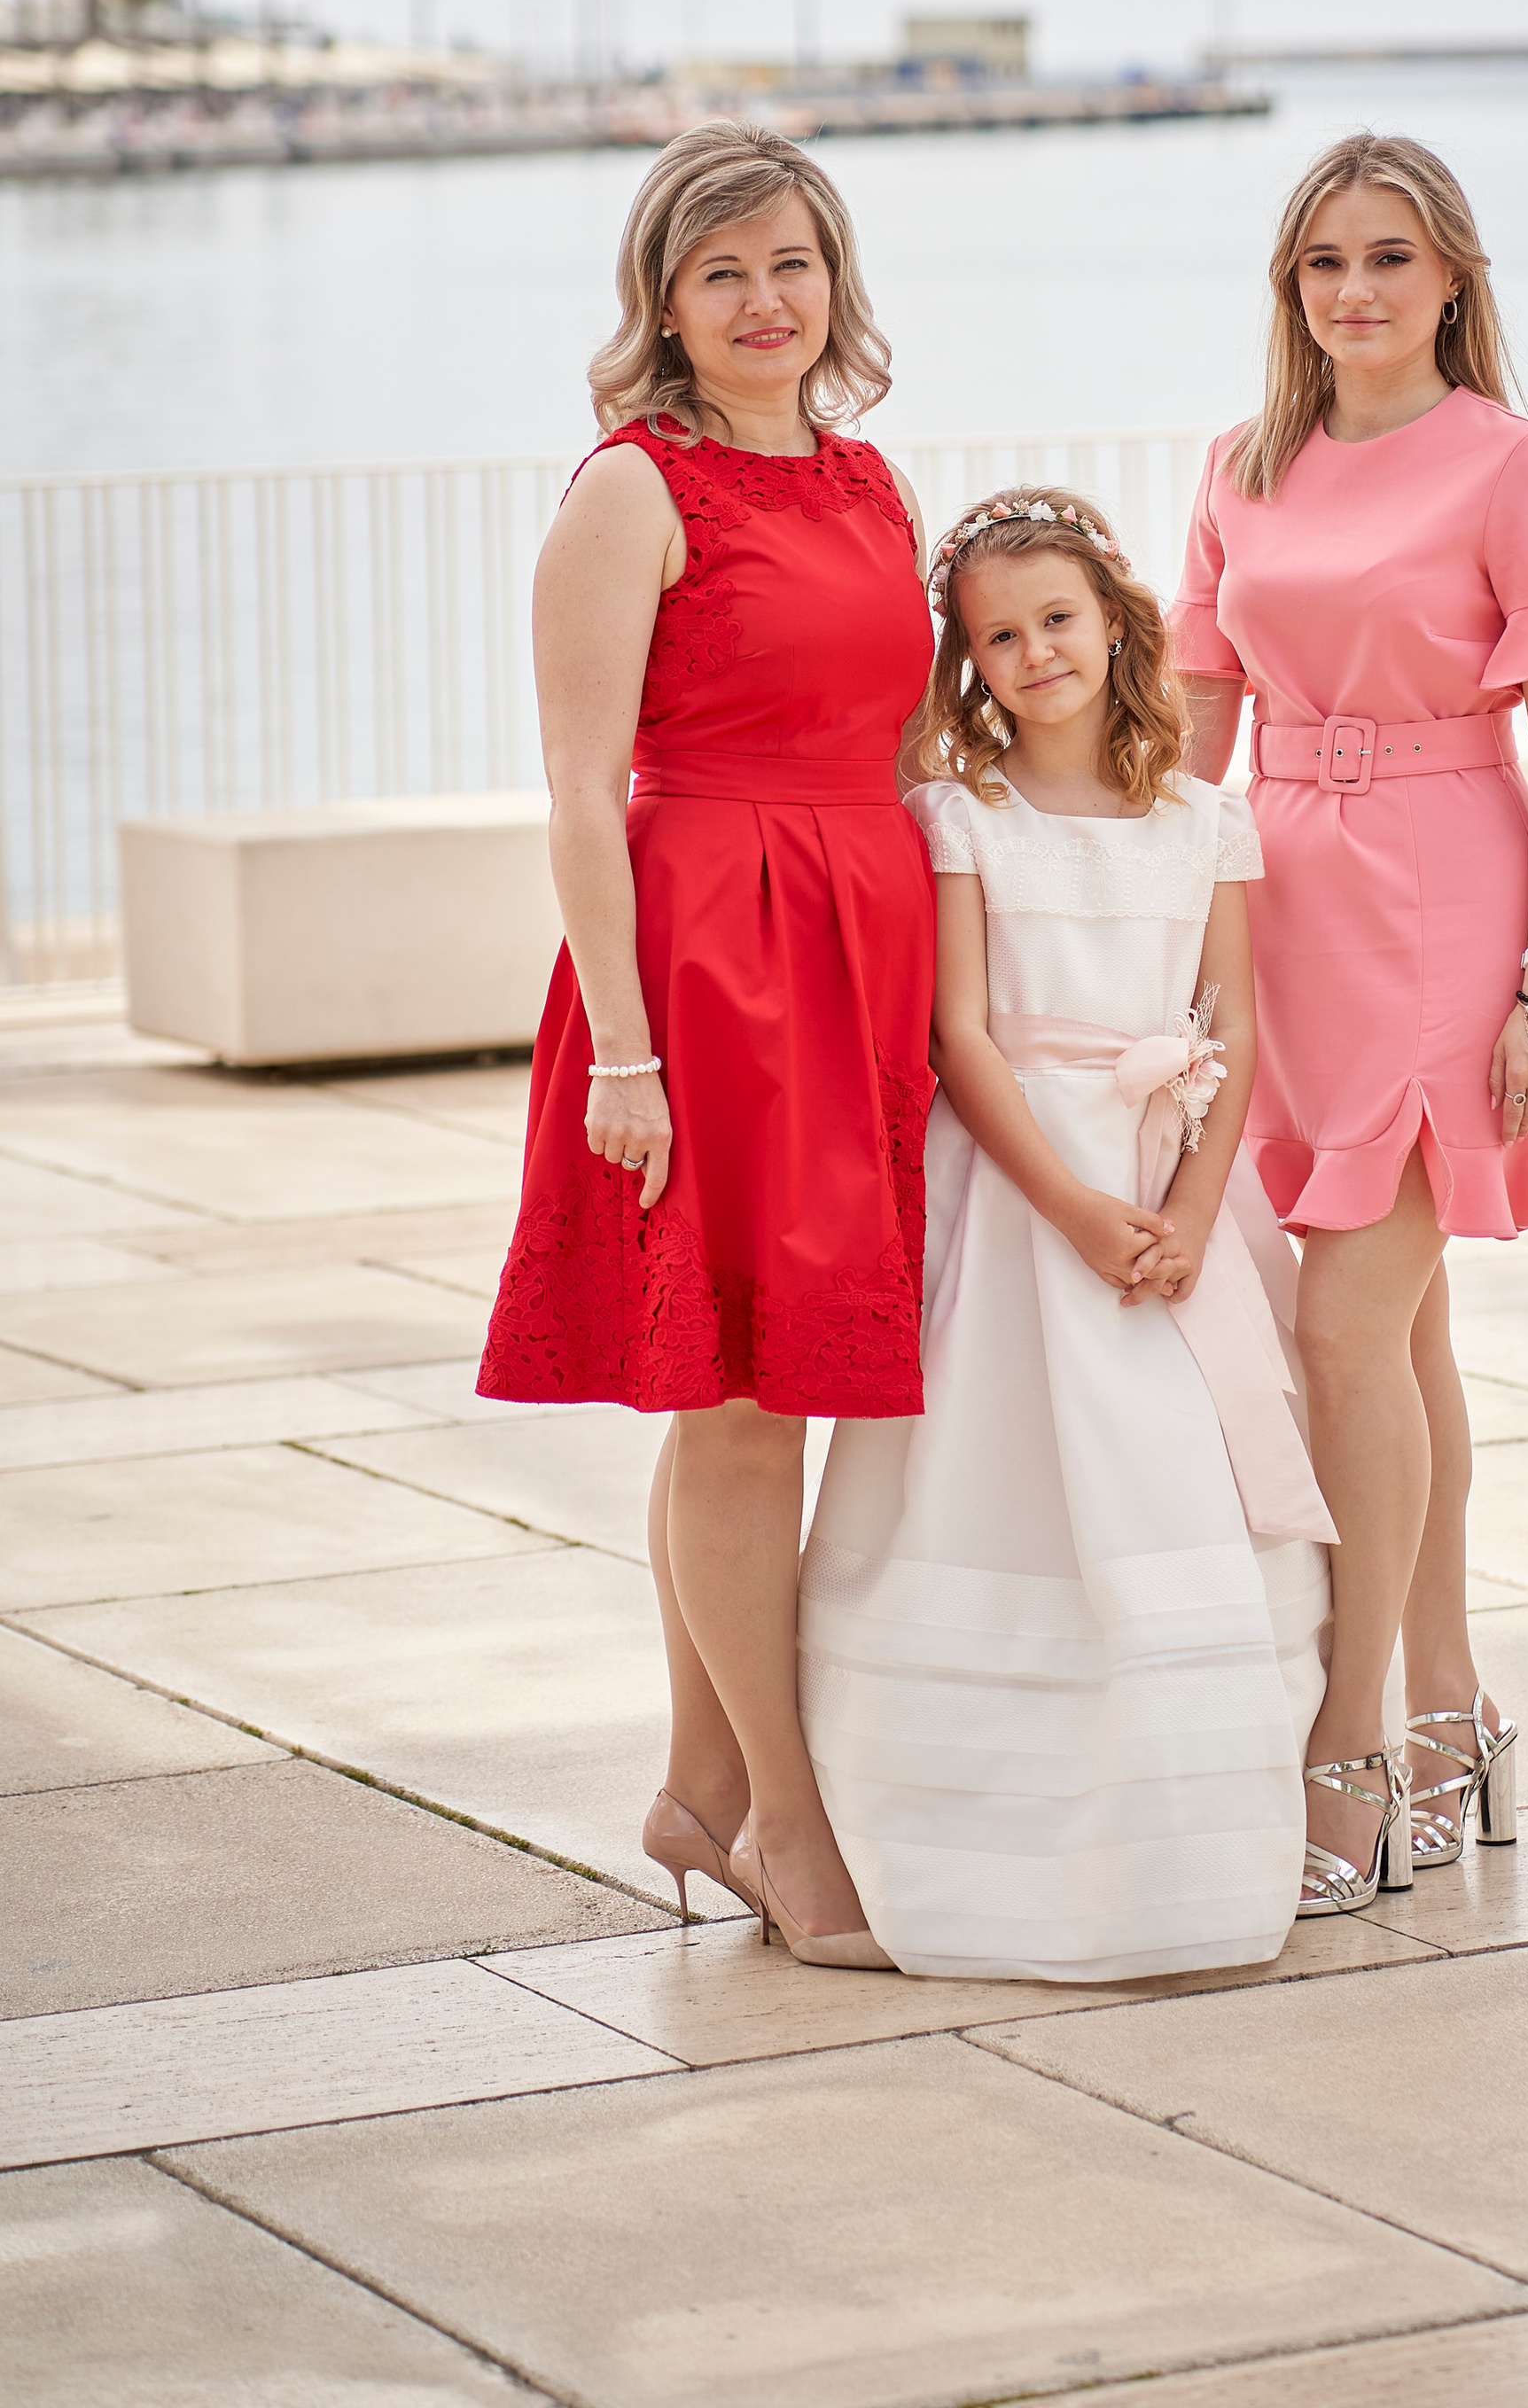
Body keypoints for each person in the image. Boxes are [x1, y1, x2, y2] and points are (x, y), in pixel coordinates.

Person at [477, 122, 935, 1971]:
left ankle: (699, 1789)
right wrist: (627, 1053)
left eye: (791, 265)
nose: (763, 301)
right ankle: (791, 1826)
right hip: (703, 972)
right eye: (722, 270)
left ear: (836, 288)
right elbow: (582, 791)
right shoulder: (630, 489)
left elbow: (903, 749)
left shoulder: (867, 479)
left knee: (764, 1398)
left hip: (855, 961)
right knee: (738, 1408)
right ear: (664, 299)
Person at [1171, 133, 1528, 1916]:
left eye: (1388, 258)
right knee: (1403, 1342)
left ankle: (1339, 1742)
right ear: (1289, 291)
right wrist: (1151, 943)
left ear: (1452, 279)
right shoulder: (1238, 464)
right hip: (1282, 908)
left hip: (1447, 905)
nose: (1354, 291)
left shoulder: (1514, 463)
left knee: (1345, 1338)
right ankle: (1451, 1717)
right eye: (1320, 264)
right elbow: (1195, 721)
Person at [799, 489, 1334, 1980]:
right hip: (1026, 1189)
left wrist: (1176, 1210)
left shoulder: (1204, 820)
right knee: (1003, 1475)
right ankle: (976, 1847)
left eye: (1058, 621)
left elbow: (1230, 1030)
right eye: (998, 637)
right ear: (969, 666)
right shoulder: (966, 814)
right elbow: (960, 1038)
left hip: (1170, 1191)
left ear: (1117, 624)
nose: (1035, 653)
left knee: (1175, 1478)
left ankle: (1188, 1853)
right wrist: (1081, 1210)